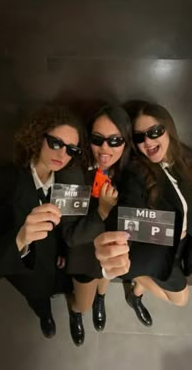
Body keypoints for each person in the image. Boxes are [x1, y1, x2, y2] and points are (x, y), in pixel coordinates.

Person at [0, 103, 86, 338]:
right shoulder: (1, 180)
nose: (62, 154)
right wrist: (20, 239)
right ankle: (44, 315)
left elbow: (69, 227)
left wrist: (62, 249)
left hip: (57, 265)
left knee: (58, 286)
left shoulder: (69, 182)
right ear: (38, 137)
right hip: (25, 271)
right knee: (38, 298)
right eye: (56, 143)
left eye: (72, 150)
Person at [117, 100, 192, 327]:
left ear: (169, 129)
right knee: (181, 299)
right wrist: (172, 232)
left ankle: (135, 293)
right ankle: (134, 279)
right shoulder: (135, 173)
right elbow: (129, 223)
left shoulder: (188, 160)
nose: (148, 141)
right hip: (158, 250)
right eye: (139, 137)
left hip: (182, 247)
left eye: (155, 131)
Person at [66, 104, 132, 346]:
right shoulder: (74, 170)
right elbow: (72, 237)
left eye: (115, 140)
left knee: (106, 278)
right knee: (82, 301)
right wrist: (103, 209)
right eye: (98, 139)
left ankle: (100, 298)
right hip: (83, 248)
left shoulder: (129, 170)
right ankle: (76, 311)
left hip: (112, 244)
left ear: (125, 141)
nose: (105, 148)